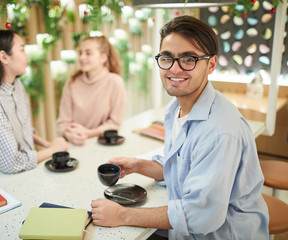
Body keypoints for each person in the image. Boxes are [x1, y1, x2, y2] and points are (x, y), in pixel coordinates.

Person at [91, 15, 269, 239]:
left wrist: (123, 215)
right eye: (167, 58)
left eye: (188, 59)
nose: (174, 69)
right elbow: (184, 168)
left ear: (211, 64)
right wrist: (140, 165)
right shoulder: (176, 108)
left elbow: (200, 216)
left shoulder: (219, 131)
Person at [0, 30, 68, 174]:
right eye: (22, 50)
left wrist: (47, 144)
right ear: (4, 57)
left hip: (23, 173)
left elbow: (22, 130)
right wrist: (53, 150)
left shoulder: (17, 86)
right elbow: (11, 163)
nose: (27, 56)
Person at [56, 36, 126, 146]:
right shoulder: (71, 83)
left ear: (103, 58)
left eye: (88, 53)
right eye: (80, 53)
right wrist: (68, 134)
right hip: (76, 145)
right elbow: (62, 123)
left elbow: (115, 123)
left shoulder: (115, 82)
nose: (82, 57)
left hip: (103, 145)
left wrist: (89, 133)